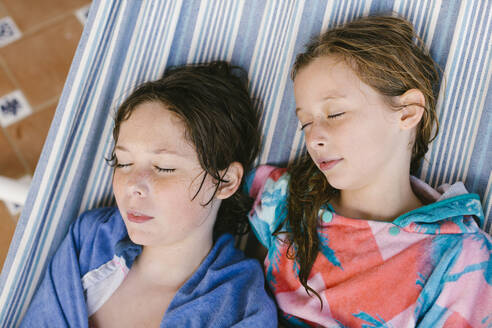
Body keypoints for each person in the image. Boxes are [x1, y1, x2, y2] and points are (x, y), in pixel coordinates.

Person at [246, 16, 492, 327]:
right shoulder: (285, 198)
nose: (313, 138)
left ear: (407, 112)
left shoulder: (459, 256)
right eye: (305, 123)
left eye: (335, 113)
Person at [21, 61, 277, 327]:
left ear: (224, 181)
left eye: (163, 168)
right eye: (122, 162)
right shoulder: (91, 239)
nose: (133, 185)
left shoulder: (240, 307)